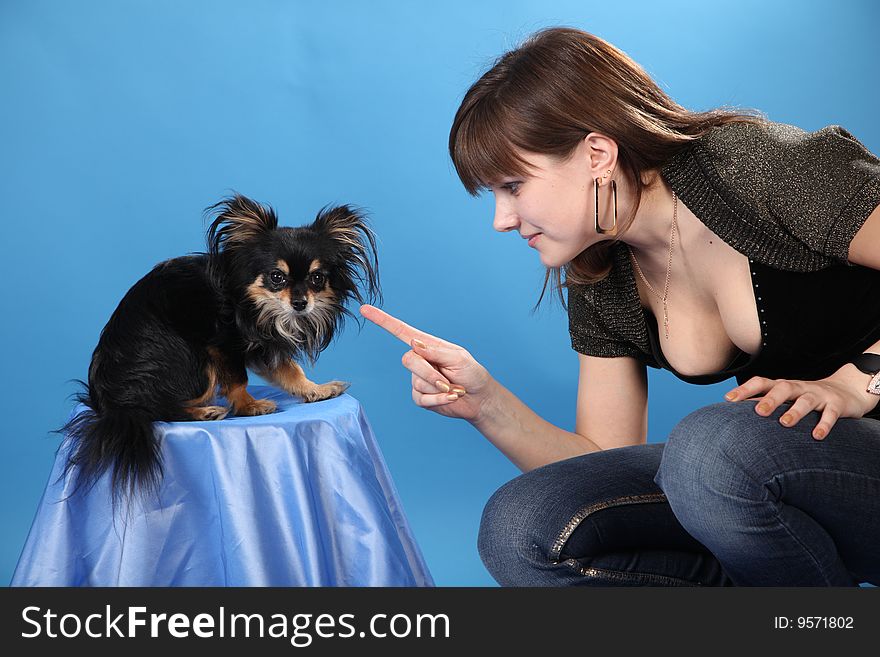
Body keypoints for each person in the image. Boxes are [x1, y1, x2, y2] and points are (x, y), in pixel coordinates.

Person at [361, 27, 880, 586]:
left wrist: (858, 382)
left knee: (709, 452)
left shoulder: (750, 167)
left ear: (597, 154)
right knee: (523, 528)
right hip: (790, 483)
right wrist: (486, 403)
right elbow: (600, 463)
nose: (501, 219)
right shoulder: (601, 266)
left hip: (852, 463)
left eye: (513, 185)